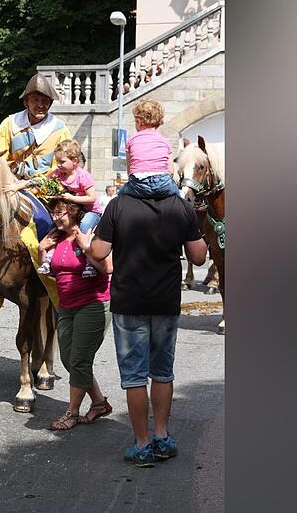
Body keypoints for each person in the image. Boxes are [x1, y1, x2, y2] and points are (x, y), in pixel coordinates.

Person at [83, 191, 208, 467]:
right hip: (165, 300)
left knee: (135, 375)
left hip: (129, 301)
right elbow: (199, 257)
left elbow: (100, 252)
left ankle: (142, 444)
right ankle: (161, 438)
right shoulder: (181, 207)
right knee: (162, 371)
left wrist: (89, 242)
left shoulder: (117, 205)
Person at [38, 199, 114, 432]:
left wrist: (88, 248)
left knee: (79, 360)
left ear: (74, 213)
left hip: (93, 304)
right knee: (68, 359)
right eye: (53, 212)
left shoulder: (93, 235)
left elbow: (108, 268)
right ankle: (99, 403)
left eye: (60, 212)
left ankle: (72, 412)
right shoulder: (56, 238)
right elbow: (53, 273)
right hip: (66, 305)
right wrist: (42, 251)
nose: (55, 217)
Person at [4, 139, 101, 278]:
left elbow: (91, 198)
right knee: (54, 229)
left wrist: (71, 198)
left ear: (74, 161)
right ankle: (48, 259)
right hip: (72, 212)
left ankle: (90, 264)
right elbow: (40, 181)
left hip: (90, 211)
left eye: (62, 162)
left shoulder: (83, 176)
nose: (59, 165)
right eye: (57, 162)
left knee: (84, 227)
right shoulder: (58, 174)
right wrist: (20, 187)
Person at [0, 73, 71, 178]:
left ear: (50, 103)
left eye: (45, 101)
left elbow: (63, 166)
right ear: (26, 102)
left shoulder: (60, 130)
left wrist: (41, 185)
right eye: (35, 100)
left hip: (47, 186)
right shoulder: (9, 124)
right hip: (12, 183)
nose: (40, 105)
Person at [119, 99, 180, 199]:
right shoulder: (165, 142)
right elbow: (171, 171)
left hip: (138, 184)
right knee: (179, 197)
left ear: (138, 122)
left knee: (119, 197)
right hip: (163, 183)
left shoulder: (131, 141)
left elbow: (130, 170)